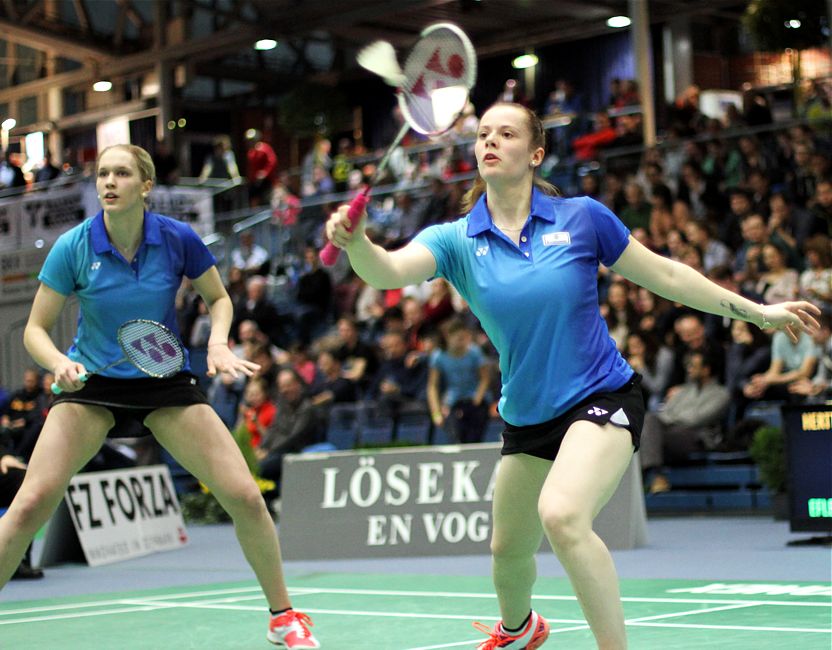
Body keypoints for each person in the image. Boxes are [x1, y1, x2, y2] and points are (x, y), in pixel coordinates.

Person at [324, 101, 820, 650]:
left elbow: (668, 276)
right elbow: (388, 271)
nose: (490, 142)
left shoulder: (581, 217)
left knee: (561, 516)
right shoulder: (456, 240)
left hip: (601, 394)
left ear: (536, 153)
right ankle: (519, 630)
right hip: (529, 413)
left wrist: (757, 311)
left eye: (506, 134)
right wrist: (358, 243)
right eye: (483, 134)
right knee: (507, 552)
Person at [0, 144, 319, 648]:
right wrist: (59, 362)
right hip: (92, 383)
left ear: (145, 186)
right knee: (30, 503)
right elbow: (35, 330)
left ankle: (283, 617)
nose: (109, 182)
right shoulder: (74, 246)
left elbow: (218, 298)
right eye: (103, 174)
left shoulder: (176, 238)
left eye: (121, 173)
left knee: (244, 496)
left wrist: (218, 343)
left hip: (161, 375)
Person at [639, 350, 731, 494]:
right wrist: (671, 419)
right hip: (670, 435)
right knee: (649, 418)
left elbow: (698, 419)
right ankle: (657, 475)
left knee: (649, 435)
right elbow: (664, 412)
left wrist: (672, 418)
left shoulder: (721, 394)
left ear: (706, 370)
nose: (689, 369)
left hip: (697, 437)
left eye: (693, 366)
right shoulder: (683, 391)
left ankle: (644, 479)